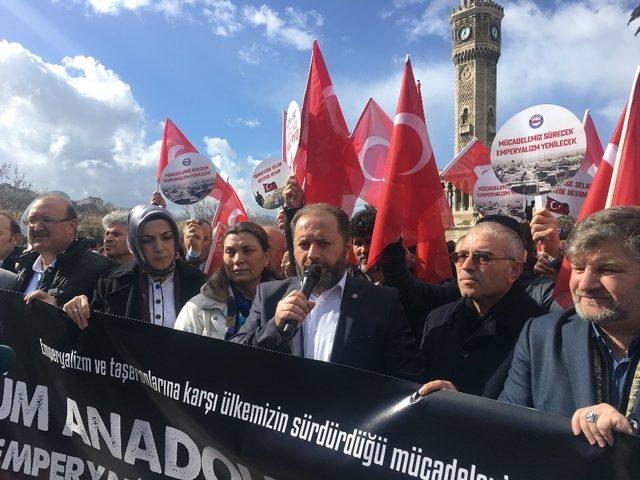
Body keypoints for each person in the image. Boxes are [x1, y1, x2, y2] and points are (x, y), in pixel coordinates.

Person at [230, 203, 424, 382]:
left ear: (346, 246)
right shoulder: (269, 295)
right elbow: (233, 357)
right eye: (304, 245)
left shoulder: (382, 302)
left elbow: (407, 377)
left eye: (323, 243)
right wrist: (274, 328)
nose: (312, 254)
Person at [499, 206, 640, 447]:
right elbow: (503, 429)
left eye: (607, 269)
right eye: (578, 268)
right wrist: (451, 405)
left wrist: (631, 435)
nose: (585, 284)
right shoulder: (541, 337)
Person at [418, 221, 545, 399]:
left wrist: (464, 406)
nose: (467, 266)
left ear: (514, 270)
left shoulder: (541, 334)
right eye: (461, 256)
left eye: (483, 258)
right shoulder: (438, 320)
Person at [63, 204, 206, 329]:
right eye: (147, 240)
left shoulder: (200, 284)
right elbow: (94, 337)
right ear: (134, 245)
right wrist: (76, 310)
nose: (159, 247)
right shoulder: (111, 284)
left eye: (167, 237)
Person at [175, 222, 271, 339]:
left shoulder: (286, 304)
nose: (238, 260)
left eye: (248, 251)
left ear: (266, 257)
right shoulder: (197, 309)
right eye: (230, 252)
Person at [15, 195, 115, 306]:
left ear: (72, 226)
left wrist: (57, 311)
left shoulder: (104, 272)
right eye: (32, 220)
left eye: (47, 220)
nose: (37, 227)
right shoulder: (23, 266)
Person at [349, 205, 384, 284]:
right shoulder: (346, 282)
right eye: (358, 243)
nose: (364, 249)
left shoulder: (400, 282)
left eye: (369, 242)